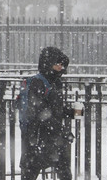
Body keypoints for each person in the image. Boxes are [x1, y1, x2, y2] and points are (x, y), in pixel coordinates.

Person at [20, 47, 74, 180]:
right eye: (58, 64)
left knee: (64, 170)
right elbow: (40, 112)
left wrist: (70, 112)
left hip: (53, 136)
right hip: (37, 136)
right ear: (48, 63)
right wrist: (62, 130)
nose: (60, 67)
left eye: (62, 64)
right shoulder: (38, 82)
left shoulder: (55, 82)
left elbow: (53, 108)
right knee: (31, 171)